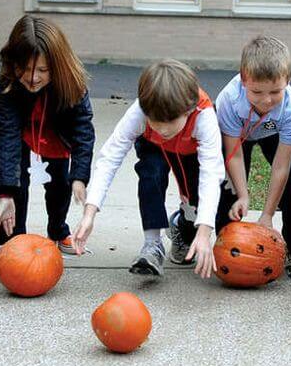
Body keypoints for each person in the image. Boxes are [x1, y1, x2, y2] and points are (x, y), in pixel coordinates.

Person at [73, 59, 224, 279]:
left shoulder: (204, 115)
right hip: (152, 146)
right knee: (150, 175)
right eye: (155, 120)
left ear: (189, 110)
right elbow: (110, 156)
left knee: (194, 201)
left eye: (169, 121)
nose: (162, 128)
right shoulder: (143, 110)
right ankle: (152, 245)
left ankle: (181, 224)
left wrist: (204, 232)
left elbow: (212, 174)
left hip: (189, 149)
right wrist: (89, 213)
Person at [0, 15, 95, 255]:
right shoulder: (4, 87)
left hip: (55, 137)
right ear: (13, 63)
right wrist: (6, 192)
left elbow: (83, 130)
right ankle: (9, 239)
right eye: (25, 69)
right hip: (20, 136)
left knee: (59, 187)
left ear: (57, 65)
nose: (33, 78)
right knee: (16, 188)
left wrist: (79, 176)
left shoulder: (72, 85)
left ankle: (57, 229)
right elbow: (6, 139)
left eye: (43, 70)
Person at [214, 35, 291, 278]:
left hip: (272, 132)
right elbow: (233, 156)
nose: (267, 100)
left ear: (288, 80)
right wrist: (244, 195)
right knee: (228, 184)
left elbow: (281, 166)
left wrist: (266, 214)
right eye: (257, 91)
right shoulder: (228, 101)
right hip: (238, 135)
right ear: (244, 80)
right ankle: (226, 247)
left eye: (275, 91)